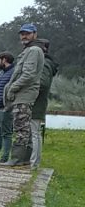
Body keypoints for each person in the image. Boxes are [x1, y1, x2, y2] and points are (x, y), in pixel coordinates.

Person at [2, 23, 45, 167]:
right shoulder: (29, 50)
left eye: (27, 33)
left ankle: (17, 158)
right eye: (22, 33)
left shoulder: (33, 50)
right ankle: (24, 158)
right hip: (23, 93)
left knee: (21, 127)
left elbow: (28, 74)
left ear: (35, 34)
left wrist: (13, 87)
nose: (24, 36)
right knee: (24, 126)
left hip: (24, 94)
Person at [29, 39, 59, 168]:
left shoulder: (45, 63)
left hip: (36, 103)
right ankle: (33, 161)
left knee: (34, 134)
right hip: (37, 102)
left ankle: (34, 163)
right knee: (34, 134)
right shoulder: (46, 62)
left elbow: (43, 83)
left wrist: (27, 89)